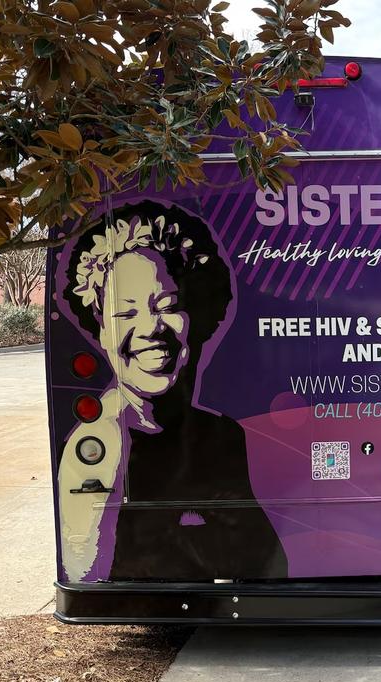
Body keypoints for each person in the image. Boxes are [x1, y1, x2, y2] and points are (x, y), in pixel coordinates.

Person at [58, 201, 287, 582]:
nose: (151, 328)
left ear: (194, 318)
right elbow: (85, 575)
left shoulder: (221, 436)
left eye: (167, 305)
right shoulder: (100, 444)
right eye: (125, 313)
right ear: (99, 330)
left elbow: (268, 566)